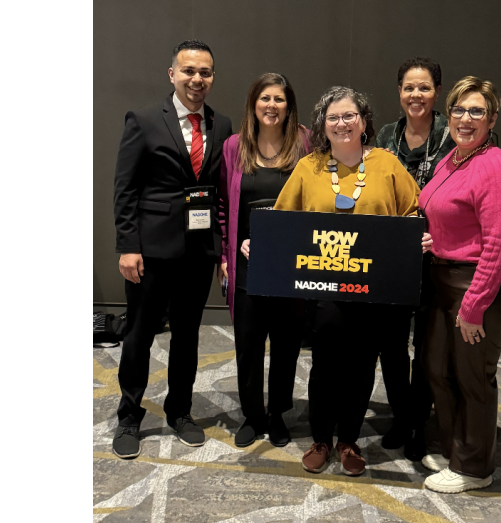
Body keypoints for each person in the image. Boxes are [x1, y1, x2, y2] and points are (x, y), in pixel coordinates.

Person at [250, 86, 420, 476]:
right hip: (323, 289)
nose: (341, 124)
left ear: (364, 121)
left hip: (373, 290)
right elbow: (284, 220)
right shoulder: (308, 167)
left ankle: (348, 440)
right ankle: (321, 439)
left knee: (361, 366)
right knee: (325, 365)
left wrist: (418, 236)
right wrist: (256, 242)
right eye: (333, 118)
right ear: (322, 126)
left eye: (349, 116)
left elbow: (412, 211)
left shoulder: (387, 164)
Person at [111, 40, 234, 459]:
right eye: (189, 71)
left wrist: (221, 250)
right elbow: (125, 189)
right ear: (172, 74)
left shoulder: (222, 124)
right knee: (139, 336)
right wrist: (128, 246)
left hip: (197, 253)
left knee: (186, 336)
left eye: (205, 72)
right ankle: (129, 415)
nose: (197, 79)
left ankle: (179, 411)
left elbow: (220, 191)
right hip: (150, 251)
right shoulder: (144, 120)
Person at [418, 76, 501, 493]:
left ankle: (474, 467)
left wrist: (474, 305)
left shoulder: (495, 165)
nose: (465, 118)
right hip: (445, 277)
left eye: (476, 111)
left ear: (492, 118)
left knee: (473, 376)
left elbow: (499, 244)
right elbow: (445, 214)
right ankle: (455, 449)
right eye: (458, 110)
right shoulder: (454, 158)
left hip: (479, 283)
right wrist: (432, 238)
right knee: (437, 367)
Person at [217, 73, 310, 448]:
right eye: (265, 98)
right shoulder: (233, 146)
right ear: (253, 104)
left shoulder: (304, 143)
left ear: (289, 106)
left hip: (290, 265)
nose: (272, 106)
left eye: (279, 99)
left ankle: (277, 415)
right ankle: (253, 416)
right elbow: (223, 205)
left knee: (286, 344)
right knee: (249, 344)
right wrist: (226, 253)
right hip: (247, 263)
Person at [373, 57, 455, 460]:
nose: (415, 95)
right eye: (409, 88)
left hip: (437, 255)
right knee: (390, 344)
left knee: (426, 346)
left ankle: (419, 421)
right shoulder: (386, 135)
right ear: (399, 92)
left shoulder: (453, 134)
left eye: (424, 88)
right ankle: (401, 416)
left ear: (437, 92)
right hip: (393, 255)